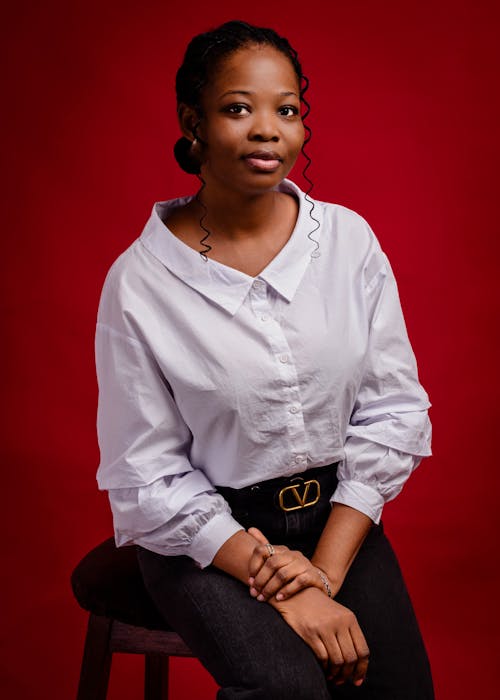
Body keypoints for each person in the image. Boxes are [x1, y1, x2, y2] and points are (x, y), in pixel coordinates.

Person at [95, 20, 434, 699]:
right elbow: (148, 473)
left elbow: (393, 409)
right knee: (287, 689)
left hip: (335, 517)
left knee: (400, 690)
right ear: (193, 122)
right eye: (237, 108)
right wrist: (281, 585)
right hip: (205, 540)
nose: (267, 129)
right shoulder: (140, 282)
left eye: (287, 109)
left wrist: (321, 580)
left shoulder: (347, 241)